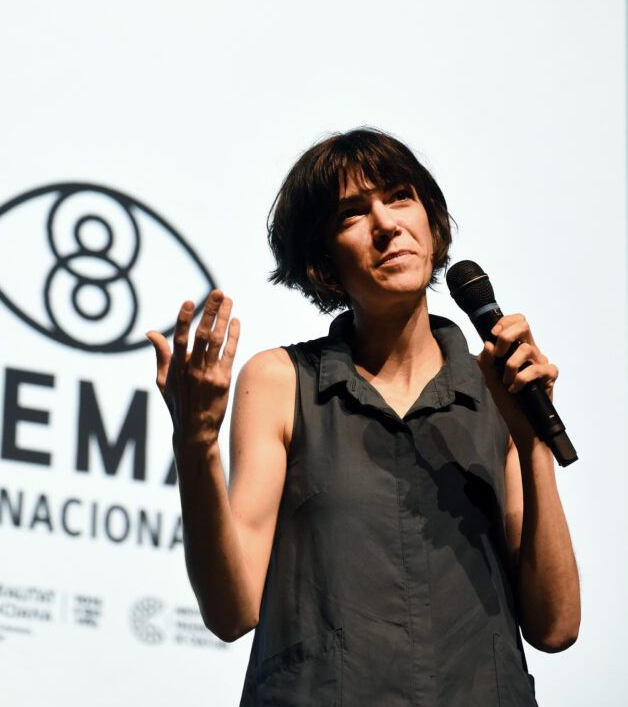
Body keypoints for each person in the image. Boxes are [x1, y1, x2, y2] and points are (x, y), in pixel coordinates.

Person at [146, 128, 579, 706]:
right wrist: (196, 441)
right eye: (352, 213)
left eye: (400, 197)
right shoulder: (280, 380)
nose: (386, 224)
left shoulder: (496, 389)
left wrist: (533, 444)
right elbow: (231, 611)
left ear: (433, 224)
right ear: (323, 262)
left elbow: (556, 627)